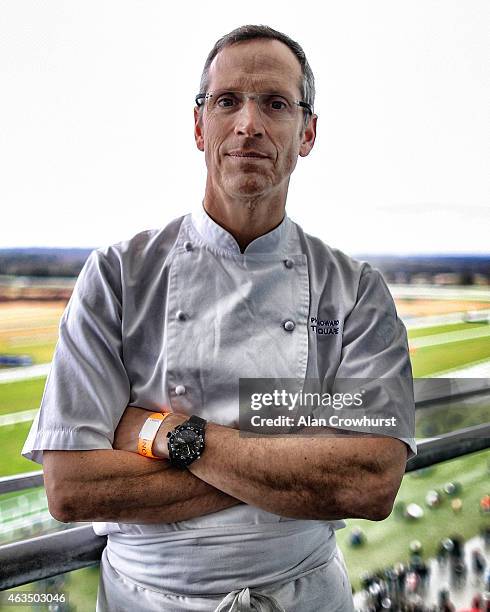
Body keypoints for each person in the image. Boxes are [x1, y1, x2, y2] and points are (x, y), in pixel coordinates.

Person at [22, 24, 417, 611]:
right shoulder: (118, 277)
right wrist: (292, 458)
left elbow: (368, 482)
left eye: (275, 104)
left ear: (307, 133)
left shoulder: (356, 293)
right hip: (148, 600)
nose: (249, 124)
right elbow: (72, 489)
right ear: (198, 124)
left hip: (303, 596)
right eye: (228, 100)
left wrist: (157, 432)